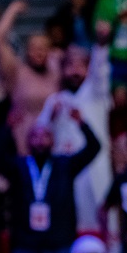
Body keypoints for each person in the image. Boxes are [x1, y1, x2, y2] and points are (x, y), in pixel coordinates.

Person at [3, 117, 101, 253]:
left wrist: (81, 122)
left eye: (45, 136)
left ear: (53, 141)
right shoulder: (18, 167)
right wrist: (7, 129)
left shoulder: (65, 165)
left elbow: (94, 148)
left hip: (60, 248)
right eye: (35, 136)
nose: (40, 141)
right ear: (28, 141)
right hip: (26, 250)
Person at [35, 41, 112, 232]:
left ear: (88, 68)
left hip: (96, 167)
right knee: (69, 218)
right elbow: (38, 135)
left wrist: (101, 44)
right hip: (67, 169)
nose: (75, 71)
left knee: (102, 218)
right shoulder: (55, 100)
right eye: (70, 66)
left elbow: (101, 71)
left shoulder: (96, 93)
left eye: (80, 66)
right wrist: (51, 118)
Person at [0, 0, 63, 150]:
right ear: (27, 51)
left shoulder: (55, 70)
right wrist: (13, 10)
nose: (38, 52)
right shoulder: (17, 71)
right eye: (34, 48)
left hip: (53, 139)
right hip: (23, 140)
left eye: (43, 48)